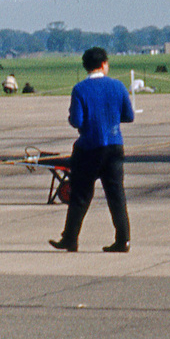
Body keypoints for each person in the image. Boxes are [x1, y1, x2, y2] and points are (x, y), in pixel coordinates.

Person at [50, 46, 134, 254]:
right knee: (116, 196)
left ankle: (70, 238)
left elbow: (76, 120)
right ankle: (123, 240)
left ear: (85, 66)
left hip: (88, 149)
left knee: (80, 196)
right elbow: (129, 115)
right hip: (114, 147)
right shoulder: (117, 86)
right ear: (104, 64)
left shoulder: (80, 89)